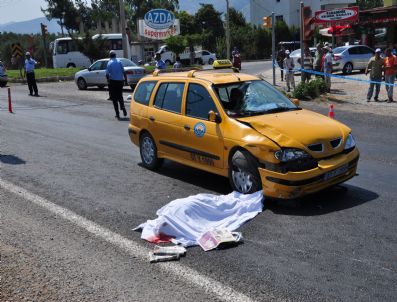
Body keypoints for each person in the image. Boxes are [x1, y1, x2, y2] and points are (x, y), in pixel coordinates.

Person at [106, 50, 127, 119]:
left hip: (113, 82)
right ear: (115, 55)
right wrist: (125, 81)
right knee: (120, 95)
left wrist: (108, 81)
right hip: (120, 81)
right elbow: (124, 72)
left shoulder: (109, 63)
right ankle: (123, 107)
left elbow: (107, 74)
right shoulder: (119, 62)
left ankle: (117, 113)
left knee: (114, 98)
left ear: (110, 56)